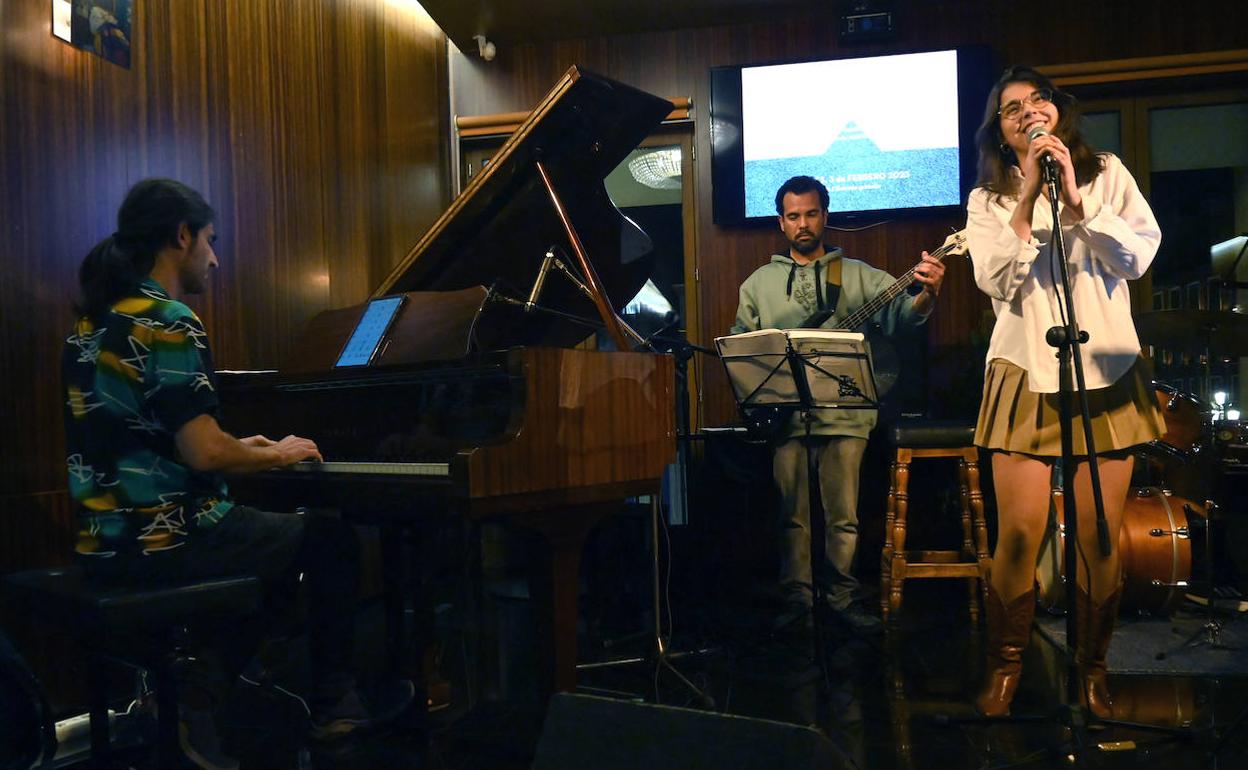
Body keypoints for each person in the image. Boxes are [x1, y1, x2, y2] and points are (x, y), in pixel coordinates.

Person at [62, 179, 412, 769]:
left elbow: (149, 434)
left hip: (104, 539)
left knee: (272, 541)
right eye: (210, 241)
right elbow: (204, 455)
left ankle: (196, 692)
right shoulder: (171, 319)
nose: (215, 258)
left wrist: (239, 443)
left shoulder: (90, 327)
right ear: (181, 236)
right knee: (328, 539)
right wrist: (275, 454)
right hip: (168, 535)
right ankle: (328, 707)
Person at [965, 67, 1164, 718]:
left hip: (1102, 365)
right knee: (1018, 536)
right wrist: (1026, 198)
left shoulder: (1105, 171)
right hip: (1024, 365)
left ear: (1056, 110)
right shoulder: (987, 199)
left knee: (1100, 536)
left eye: (1036, 101)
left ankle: (1093, 672)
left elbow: (1136, 258)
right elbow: (995, 281)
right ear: (1000, 131)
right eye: (1010, 109)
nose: (1026, 113)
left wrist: (1075, 200)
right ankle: (1005, 669)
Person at [729, 175, 946, 635]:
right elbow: (747, 352)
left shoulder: (862, 276)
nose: (803, 224)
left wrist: (928, 291)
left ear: (825, 216)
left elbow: (906, 317)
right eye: (793, 216)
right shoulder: (757, 285)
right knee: (793, 515)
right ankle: (798, 600)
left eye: (811, 214)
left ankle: (842, 598)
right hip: (786, 418)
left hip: (847, 415)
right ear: (780, 222)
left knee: (843, 515)